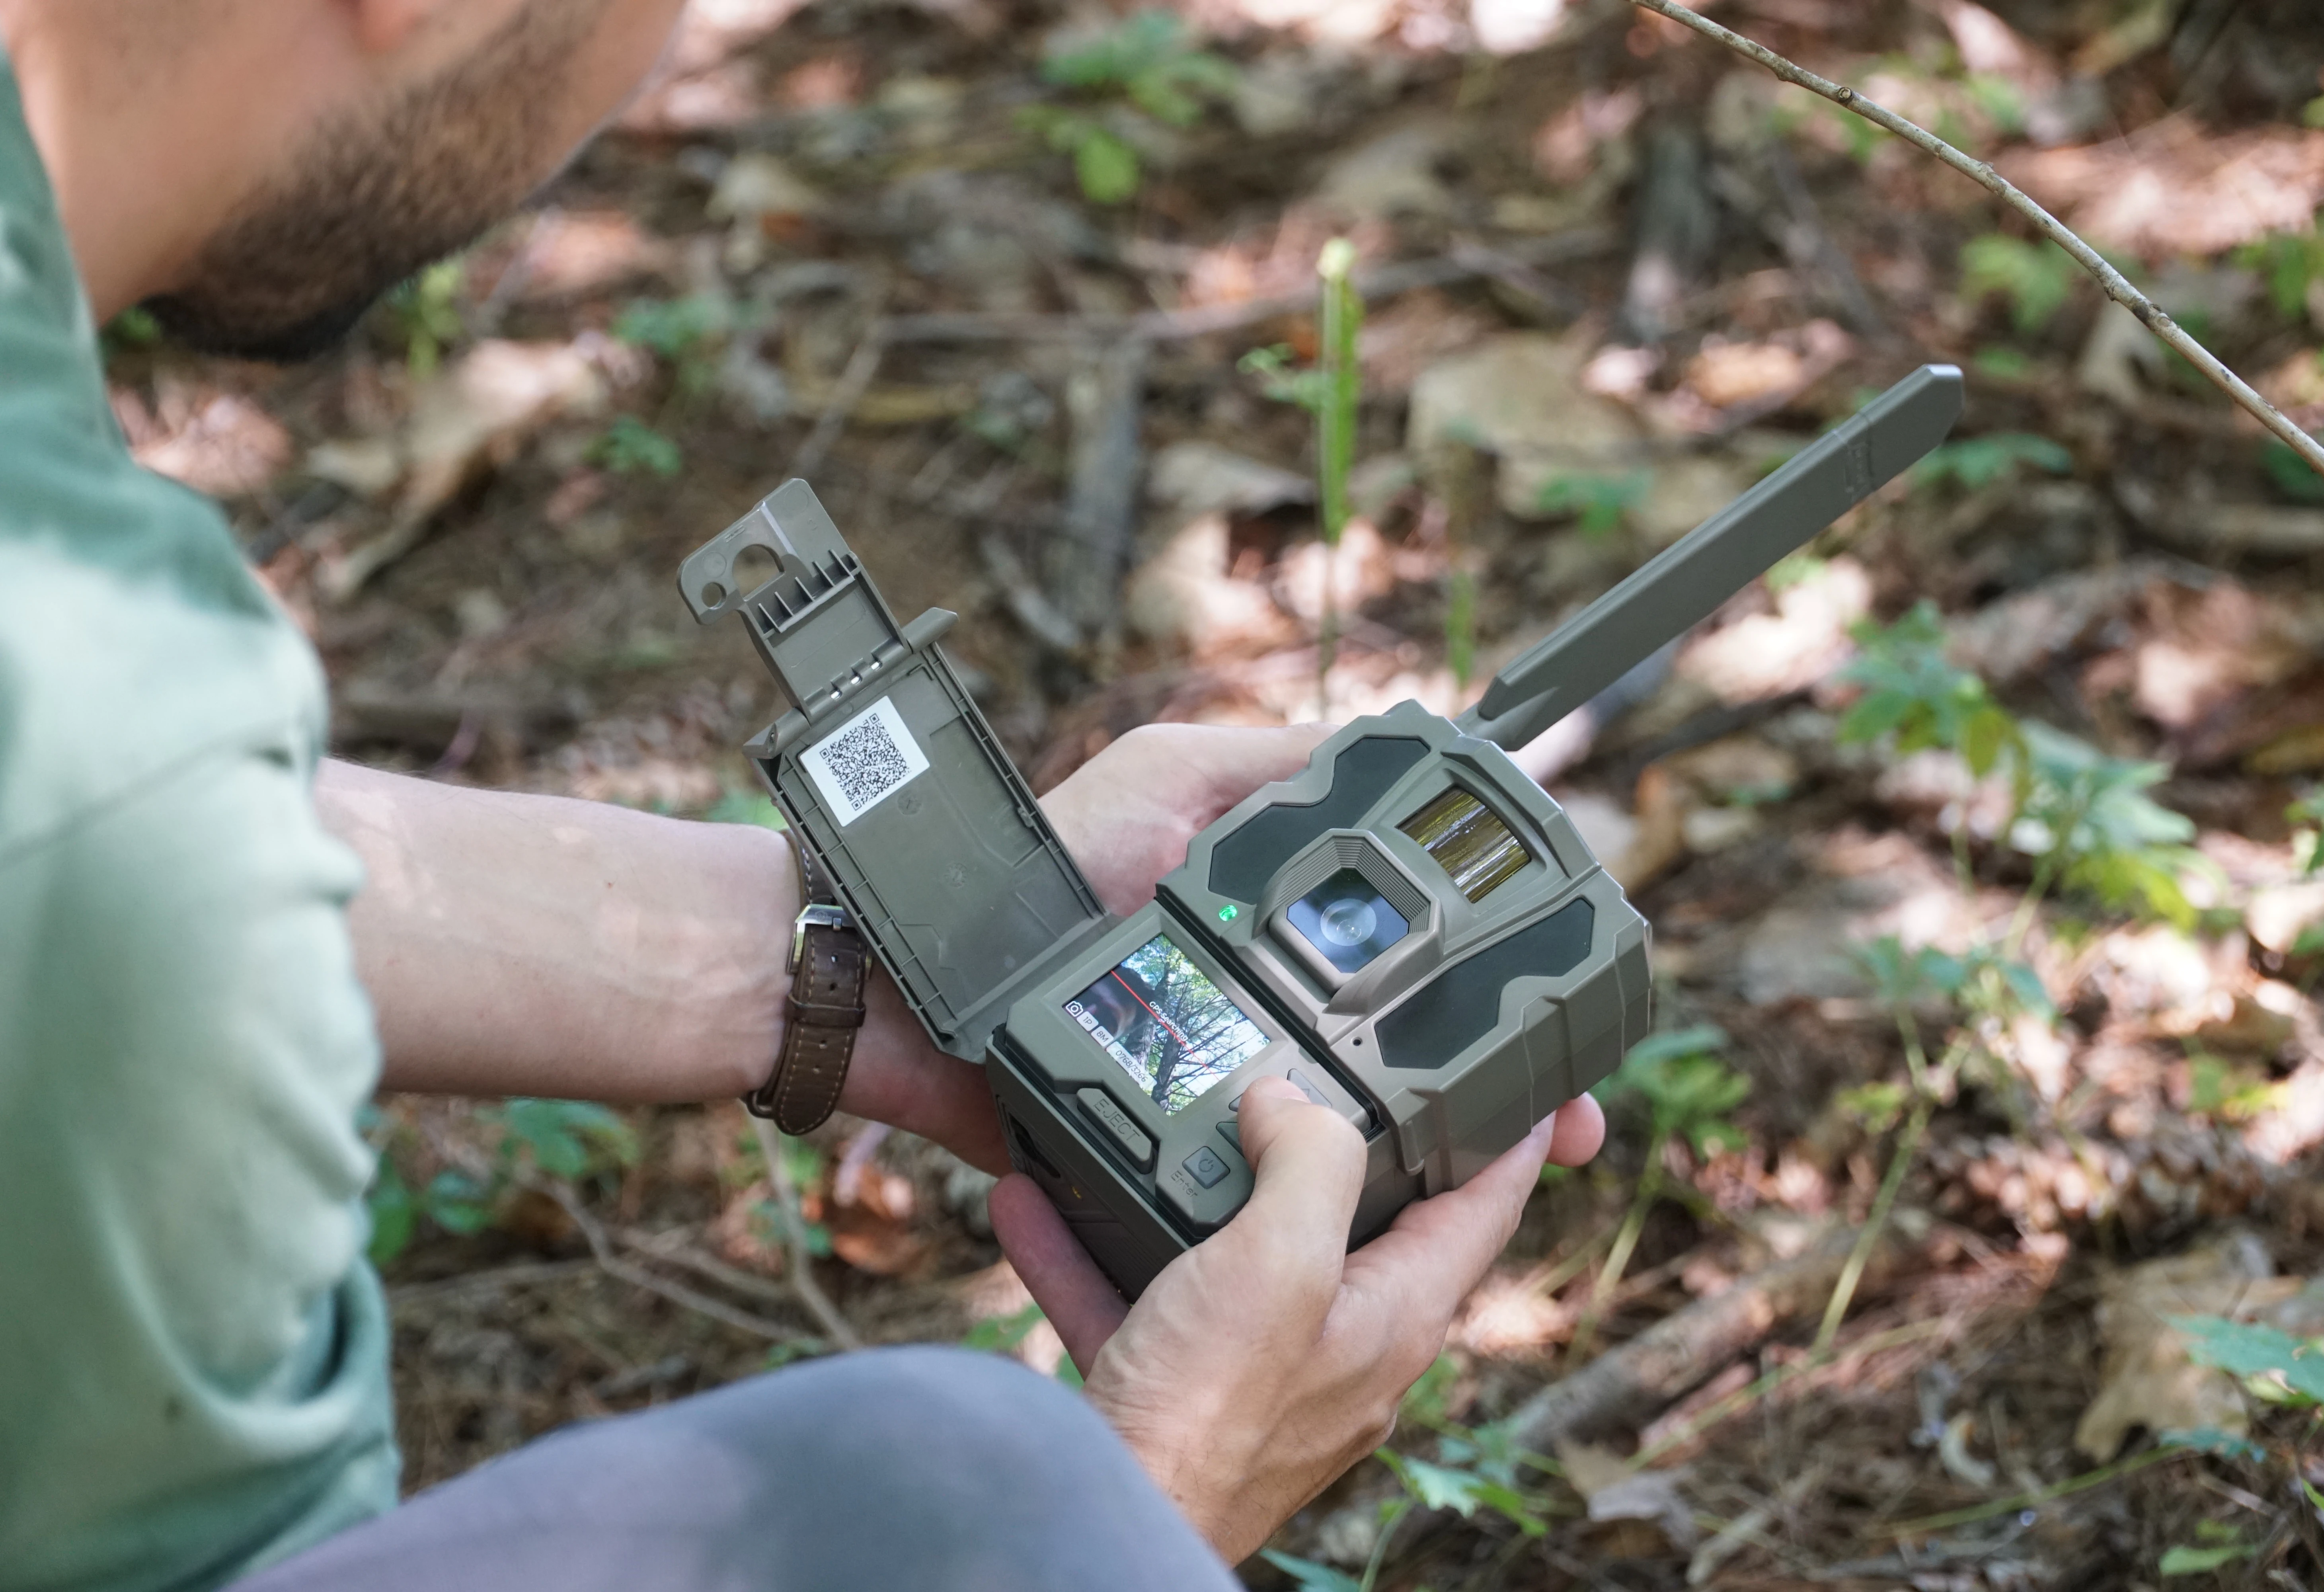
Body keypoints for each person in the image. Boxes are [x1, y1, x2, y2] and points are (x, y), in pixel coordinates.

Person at [0, 2, 1610, 1588]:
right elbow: (116, 837)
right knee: (962, 1486)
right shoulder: (105, 725)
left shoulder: (89, 701)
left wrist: (854, 964)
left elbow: (150, 857)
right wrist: (1141, 1499)